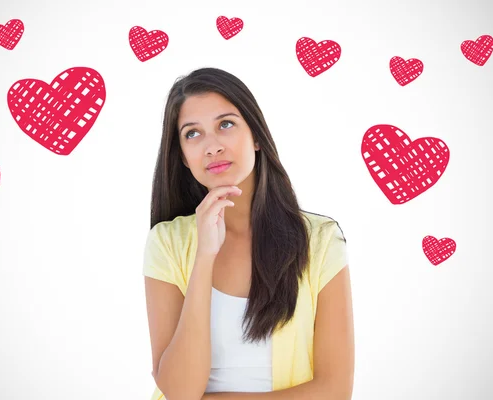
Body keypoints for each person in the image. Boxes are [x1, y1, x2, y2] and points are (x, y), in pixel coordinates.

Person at [142, 67, 354, 400]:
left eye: (225, 124)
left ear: (256, 136)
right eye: (192, 134)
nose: (211, 146)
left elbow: (335, 391)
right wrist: (204, 257)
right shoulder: (166, 243)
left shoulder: (320, 240)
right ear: (182, 157)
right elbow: (179, 392)